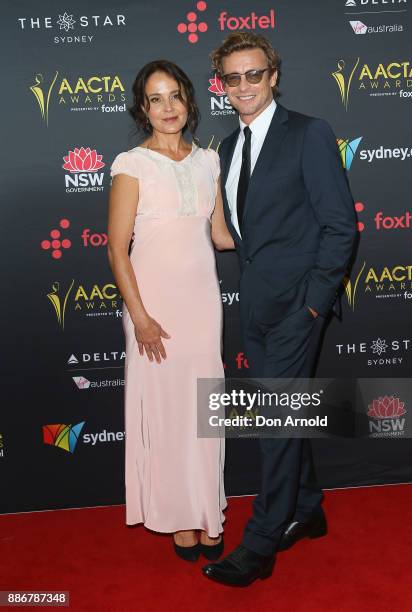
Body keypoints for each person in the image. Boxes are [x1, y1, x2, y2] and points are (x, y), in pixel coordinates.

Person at [202, 33, 357, 586]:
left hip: (297, 310)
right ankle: (309, 507)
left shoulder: (310, 134)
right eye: (232, 78)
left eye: (254, 74)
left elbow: (340, 225)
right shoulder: (224, 149)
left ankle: (261, 542)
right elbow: (237, 236)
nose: (243, 86)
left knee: (274, 420)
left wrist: (314, 306)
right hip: (256, 303)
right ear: (222, 85)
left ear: (273, 76)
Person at [107, 60, 234, 562]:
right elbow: (118, 249)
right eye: (156, 99)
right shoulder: (130, 164)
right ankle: (179, 514)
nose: (167, 108)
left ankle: (208, 510)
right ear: (143, 107)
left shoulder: (208, 162)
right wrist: (139, 317)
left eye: (175, 96)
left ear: (189, 102)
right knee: (165, 412)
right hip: (152, 306)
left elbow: (222, 235)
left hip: (202, 304)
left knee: (205, 410)